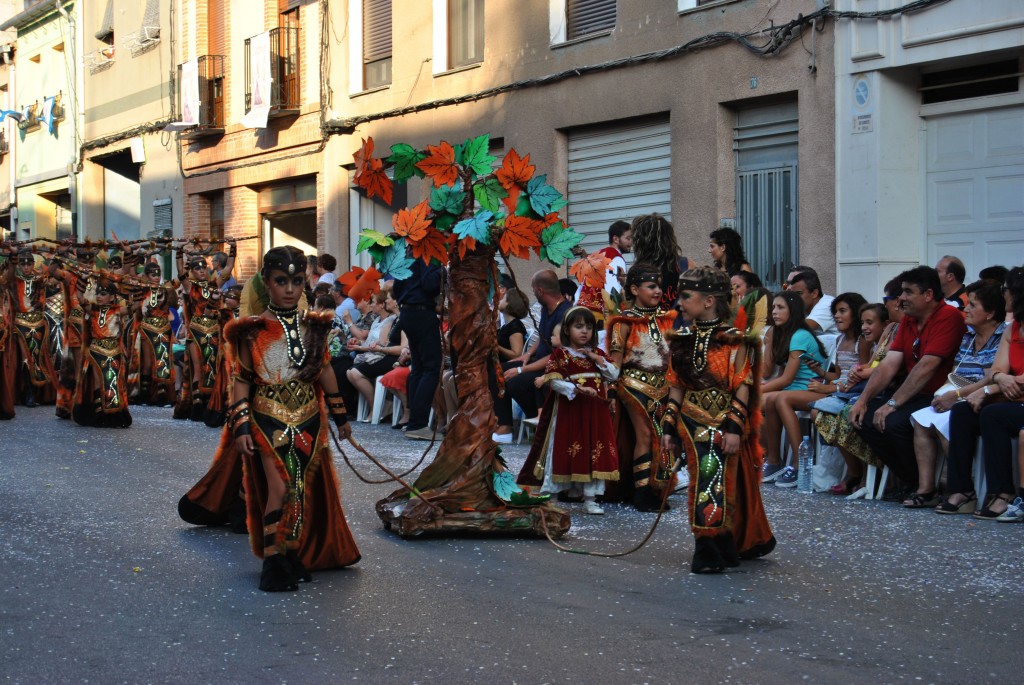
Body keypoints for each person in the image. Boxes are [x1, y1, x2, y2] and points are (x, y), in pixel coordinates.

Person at [179, 246, 360, 592]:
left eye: (295, 281)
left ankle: (292, 555)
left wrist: (340, 416)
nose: (290, 289)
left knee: (299, 488)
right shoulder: (250, 330)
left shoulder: (314, 327)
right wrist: (241, 424)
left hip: (308, 419)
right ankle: (273, 564)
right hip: (268, 420)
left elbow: (323, 370)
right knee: (278, 486)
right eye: (281, 281)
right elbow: (243, 379)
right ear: (267, 282)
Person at [661, 266, 775, 573]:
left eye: (686, 297)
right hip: (691, 422)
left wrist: (735, 428)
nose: (680, 303)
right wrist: (669, 425)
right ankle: (714, 543)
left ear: (709, 300)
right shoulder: (681, 339)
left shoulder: (738, 341)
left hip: (724, 421)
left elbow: (743, 386)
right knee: (704, 480)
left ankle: (712, 544)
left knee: (716, 480)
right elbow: (675, 386)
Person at [849, 266, 966, 494]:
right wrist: (862, 400)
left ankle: (922, 486)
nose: (901, 298)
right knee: (863, 417)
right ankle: (911, 480)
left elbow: (926, 367)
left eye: (907, 292)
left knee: (893, 423)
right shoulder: (909, 320)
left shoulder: (948, 316)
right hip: (914, 394)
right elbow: (889, 364)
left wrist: (892, 404)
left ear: (928, 295)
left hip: (938, 396)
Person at [905, 280, 1005, 508]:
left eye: (973, 306)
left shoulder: (1001, 337)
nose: (966, 309)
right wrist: (949, 394)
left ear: (990, 313)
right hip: (960, 393)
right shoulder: (968, 337)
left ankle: (960, 486)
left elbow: (992, 377)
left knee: (947, 421)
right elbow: (955, 372)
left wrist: (957, 395)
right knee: (921, 419)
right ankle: (927, 488)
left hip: (984, 396)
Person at [936, 267, 1024, 518]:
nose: (1003, 294)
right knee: (963, 412)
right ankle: (962, 491)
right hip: (1009, 396)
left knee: (993, 415)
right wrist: (998, 379)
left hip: (1014, 399)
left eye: (1006, 290)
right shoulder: (1013, 328)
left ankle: (1003, 493)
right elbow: (998, 369)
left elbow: (1002, 377)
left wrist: (989, 387)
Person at [516, 306, 619, 515]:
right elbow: (554, 381)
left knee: (593, 450)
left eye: (589, 327)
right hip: (569, 412)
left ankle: (590, 498)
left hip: (594, 414)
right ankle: (551, 495)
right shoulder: (560, 354)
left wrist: (595, 358)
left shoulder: (597, 354)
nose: (584, 332)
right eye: (578, 326)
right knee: (562, 448)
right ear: (567, 330)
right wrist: (578, 389)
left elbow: (614, 374)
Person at [606, 262, 677, 511]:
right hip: (633, 384)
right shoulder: (622, 322)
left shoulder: (670, 320)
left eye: (659, 286)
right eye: (651, 286)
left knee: (663, 436)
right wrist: (612, 390)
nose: (657, 291)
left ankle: (658, 487)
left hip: (665, 386)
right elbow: (613, 363)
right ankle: (642, 493)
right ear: (634, 289)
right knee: (645, 435)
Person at [813, 302, 893, 495]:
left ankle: (866, 474)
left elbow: (878, 369)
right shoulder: (878, 341)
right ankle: (854, 471)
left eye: (870, 322)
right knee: (820, 412)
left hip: (874, 392)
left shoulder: (881, 341)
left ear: (884, 324)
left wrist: (855, 377)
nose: (865, 327)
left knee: (850, 415)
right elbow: (860, 368)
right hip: (855, 390)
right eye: (863, 322)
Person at [758, 291, 832, 485]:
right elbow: (773, 373)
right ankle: (772, 459)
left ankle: (799, 464)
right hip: (794, 388)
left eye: (780, 307)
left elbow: (785, 379)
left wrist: (758, 390)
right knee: (761, 402)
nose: (774, 312)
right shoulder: (782, 334)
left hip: (813, 388)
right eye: (773, 307)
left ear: (794, 310)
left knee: (779, 398)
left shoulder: (800, 335)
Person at [493, 269, 571, 443]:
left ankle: (537, 419)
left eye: (534, 289)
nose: (533, 293)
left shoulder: (565, 312)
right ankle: (504, 426)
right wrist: (526, 355)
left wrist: (522, 369)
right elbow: (542, 337)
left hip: (553, 366)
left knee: (513, 381)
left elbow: (556, 354)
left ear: (540, 291)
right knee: (496, 370)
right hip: (537, 361)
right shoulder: (546, 308)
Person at [393, 257, 443, 441]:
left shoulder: (407, 255)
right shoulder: (429, 253)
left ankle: (414, 420)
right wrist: (445, 269)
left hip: (408, 311)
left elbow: (396, 286)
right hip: (421, 312)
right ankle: (418, 423)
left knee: (419, 368)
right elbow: (430, 283)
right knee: (431, 367)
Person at [72, 280, 132, 427]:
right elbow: (79, 297)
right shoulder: (92, 309)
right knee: (99, 382)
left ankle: (113, 415)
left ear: (112, 297)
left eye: (103, 294)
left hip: (114, 351)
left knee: (112, 383)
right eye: (97, 293)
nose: (99, 296)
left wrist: (136, 287)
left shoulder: (118, 310)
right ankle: (99, 416)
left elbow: (136, 307)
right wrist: (82, 279)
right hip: (95, 351)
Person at [346, 287, 401, 416]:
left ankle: (376, 408)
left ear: (381, 305)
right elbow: (370, 340)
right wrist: (358, 343)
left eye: (373, 302)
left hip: (382, 354)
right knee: (348, 372)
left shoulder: (390, 320)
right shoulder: (376, 320)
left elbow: (382, 343)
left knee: (354, 372)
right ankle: (376, 406)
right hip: (374, 353)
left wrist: (360, 347)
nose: (370, 305)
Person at [631, 213, 689, 321]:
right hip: (678, 328)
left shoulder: (637, 270)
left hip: (648, 329)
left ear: (641, 241)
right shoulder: (685, 264)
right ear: (669, 238)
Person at [136, 261, 178, 407]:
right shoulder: (142, 289)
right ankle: (146, 396)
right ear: (146, 276)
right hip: (147, 329)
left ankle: (163, 396)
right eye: (152, 273)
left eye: (158, 273)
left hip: (163, 329)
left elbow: (174, 304)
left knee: (162, 362)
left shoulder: (166, 288)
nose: (156, 276)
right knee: (147, 364)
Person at [786, 267, 838, 335]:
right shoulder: (803, 306)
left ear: (814, 293)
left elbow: (798, 329)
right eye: (788, 284)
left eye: (798, 293)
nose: (788, 288)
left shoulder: (827, 304)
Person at [598, 220, 632, 295]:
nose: (631, 242)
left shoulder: (599, 254)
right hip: (603, 305)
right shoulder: (616, 258)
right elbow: (612, 290)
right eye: (628, 238)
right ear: (616, 239)